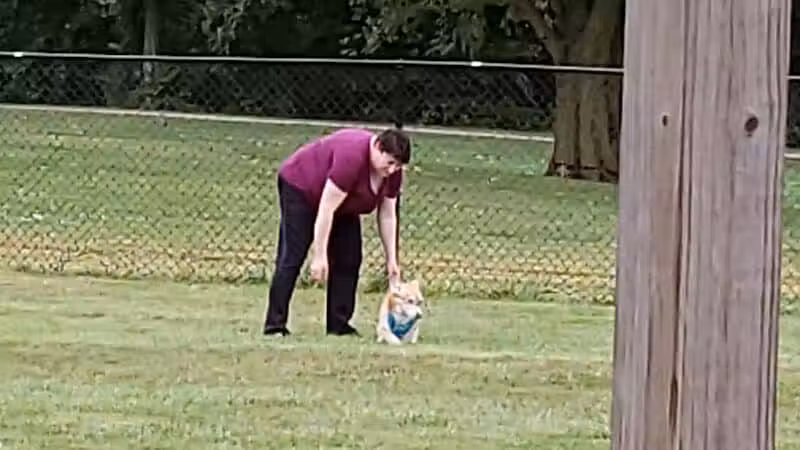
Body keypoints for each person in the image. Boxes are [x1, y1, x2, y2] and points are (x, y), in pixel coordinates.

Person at [262, 127, 411, 337]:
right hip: (302, 187)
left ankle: (339, 324)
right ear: (377, 147)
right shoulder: (351, 158)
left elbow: (387, 215)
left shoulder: (392, 174)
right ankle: (275, 325)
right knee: (292, 256)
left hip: (344, 203)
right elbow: (327, 208)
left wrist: (392, 260)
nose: (393, 170)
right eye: (390, 163)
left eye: (398, 165)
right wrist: (320, 255)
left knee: (349, 258)